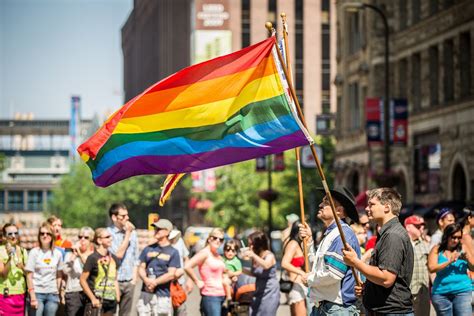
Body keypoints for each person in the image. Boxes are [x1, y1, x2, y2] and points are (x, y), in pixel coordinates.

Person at [342, 187, 414, 315]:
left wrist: (355, 262)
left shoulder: (393, 235)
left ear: (387, 207)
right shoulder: (386, 233)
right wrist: (369, 288)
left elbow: (386, 279)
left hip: (392, 311)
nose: (367, 208)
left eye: (372, 204)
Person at [299, 186, 361, 315]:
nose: (320, 205)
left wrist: (309, 279)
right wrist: (309, 242)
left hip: (336, 309)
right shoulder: (332, 233)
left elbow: (334, 274)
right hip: (324, 307)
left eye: (326, 202)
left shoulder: (342, 235)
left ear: (339, 210)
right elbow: (317, 268)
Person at [428, 223, 474, 315]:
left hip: (462, 291)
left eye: (459, 237)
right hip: (441, 294)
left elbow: (472, 267)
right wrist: (449, 261)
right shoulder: (437, 249)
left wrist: (467, 259)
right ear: (447, 236)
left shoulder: (463, 248)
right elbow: (431, 268)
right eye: (453, 237)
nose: (456, 240)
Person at [137, 219, 180, 316]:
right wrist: (146, 279)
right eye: (155, 228)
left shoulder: (173, 252)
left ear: (167, 232)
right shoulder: (148, 249)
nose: (156, 230)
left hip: (162, 295)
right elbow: (141, 267)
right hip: (146, 293)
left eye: (159, 229)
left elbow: (171, 274)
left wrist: (155, 282)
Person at [107, 203, 139, 316]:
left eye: (127, 215)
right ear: (114, 217)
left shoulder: (133, 234)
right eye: (123, 216)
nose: (127, 218)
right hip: (112, 281)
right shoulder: (107, 234)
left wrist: (134, 280)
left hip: (129, 281)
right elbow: (118, 255)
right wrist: (128, 234)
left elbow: (136, 258)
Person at [185, 228, 227, 316]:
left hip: (222, 295)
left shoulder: (217, 255)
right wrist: (197, 281)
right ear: (209, 238)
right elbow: (187, 266)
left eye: (221, 239)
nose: (218, 241)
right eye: (215, 238)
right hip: (210, 295)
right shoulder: (205, 253)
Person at [80, 227, 121, 316]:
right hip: (96, 301)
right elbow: (82, 280)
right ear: (99, 240)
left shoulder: (114, 258)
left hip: (111, 302)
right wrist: (92, 298)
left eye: (110, 236)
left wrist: (117, 297)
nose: (110, 239)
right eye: (107, 237)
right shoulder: (92, 258)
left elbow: (115, 279)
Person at [25, 222, 64, 316]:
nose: (45, 236)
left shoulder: (57, 253)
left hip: (52, 294)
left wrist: (58, 292)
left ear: (52, 236)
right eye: (42, 233)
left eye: (48, 233)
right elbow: (29, 276)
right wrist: (33, 297)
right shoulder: (34, 252)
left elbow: (59, 275)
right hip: (37, 293)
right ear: (39, 236)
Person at [242, 230, 279, 316]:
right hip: (258, 291)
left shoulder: (269, 256)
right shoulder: (256, 256)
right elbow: (255, 273)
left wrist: (253, 255)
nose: (249, 246)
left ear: (258, 244)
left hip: (270, 292)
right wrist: (241, 269)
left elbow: (266, 265)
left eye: (251, 244)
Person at [62, 226, 95, 316]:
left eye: (86, 237)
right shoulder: (70, 254)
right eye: (80, 237)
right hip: (74, 292)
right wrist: (73, 256)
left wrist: (80, 254)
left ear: (91, 240)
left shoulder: (93, 255)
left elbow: (91, 269)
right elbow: (65, 271)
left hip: (89, 292)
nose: (82, 240)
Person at [404, 215, 431, 316]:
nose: (422, 228)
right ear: (408, 227)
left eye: (422, 226)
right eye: (418, 226)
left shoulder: (425, 244)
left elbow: (430, 268)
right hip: (406, 293)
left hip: (423, 292)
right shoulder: (402, 243)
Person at [0, 223, 28, 316]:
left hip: (21, 294)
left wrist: (22, 267)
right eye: (10, 234)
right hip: (6, 295)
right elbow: (3, 274)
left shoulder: (23, 251)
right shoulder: (0, 250)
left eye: (16, 233)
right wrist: (9, 257)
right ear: (4, 236)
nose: (13, 236)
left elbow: (28, 274)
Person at [281, 220, 307, 316]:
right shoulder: (293, 244)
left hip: (298, 284)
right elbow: (284, 263)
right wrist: (302, 273)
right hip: (295, 284)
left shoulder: (297, 243)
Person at [170, 228, 192, 316]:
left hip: (179, 284)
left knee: (181, 311)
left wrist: (189, 279)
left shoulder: (179, 241)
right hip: (164, 287)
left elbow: (186, 258)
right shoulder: (158, 244)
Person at [222, 239, 242, 304]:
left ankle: (228, 297)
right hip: (221, 276)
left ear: (236, 252)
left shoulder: (236, 261)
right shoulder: (223, 259)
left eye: (233, 251)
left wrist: (233, 274)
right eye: (228, 250)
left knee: (225, 281)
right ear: (224, 251)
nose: (230, 252)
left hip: (230, 278)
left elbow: (240, 271)